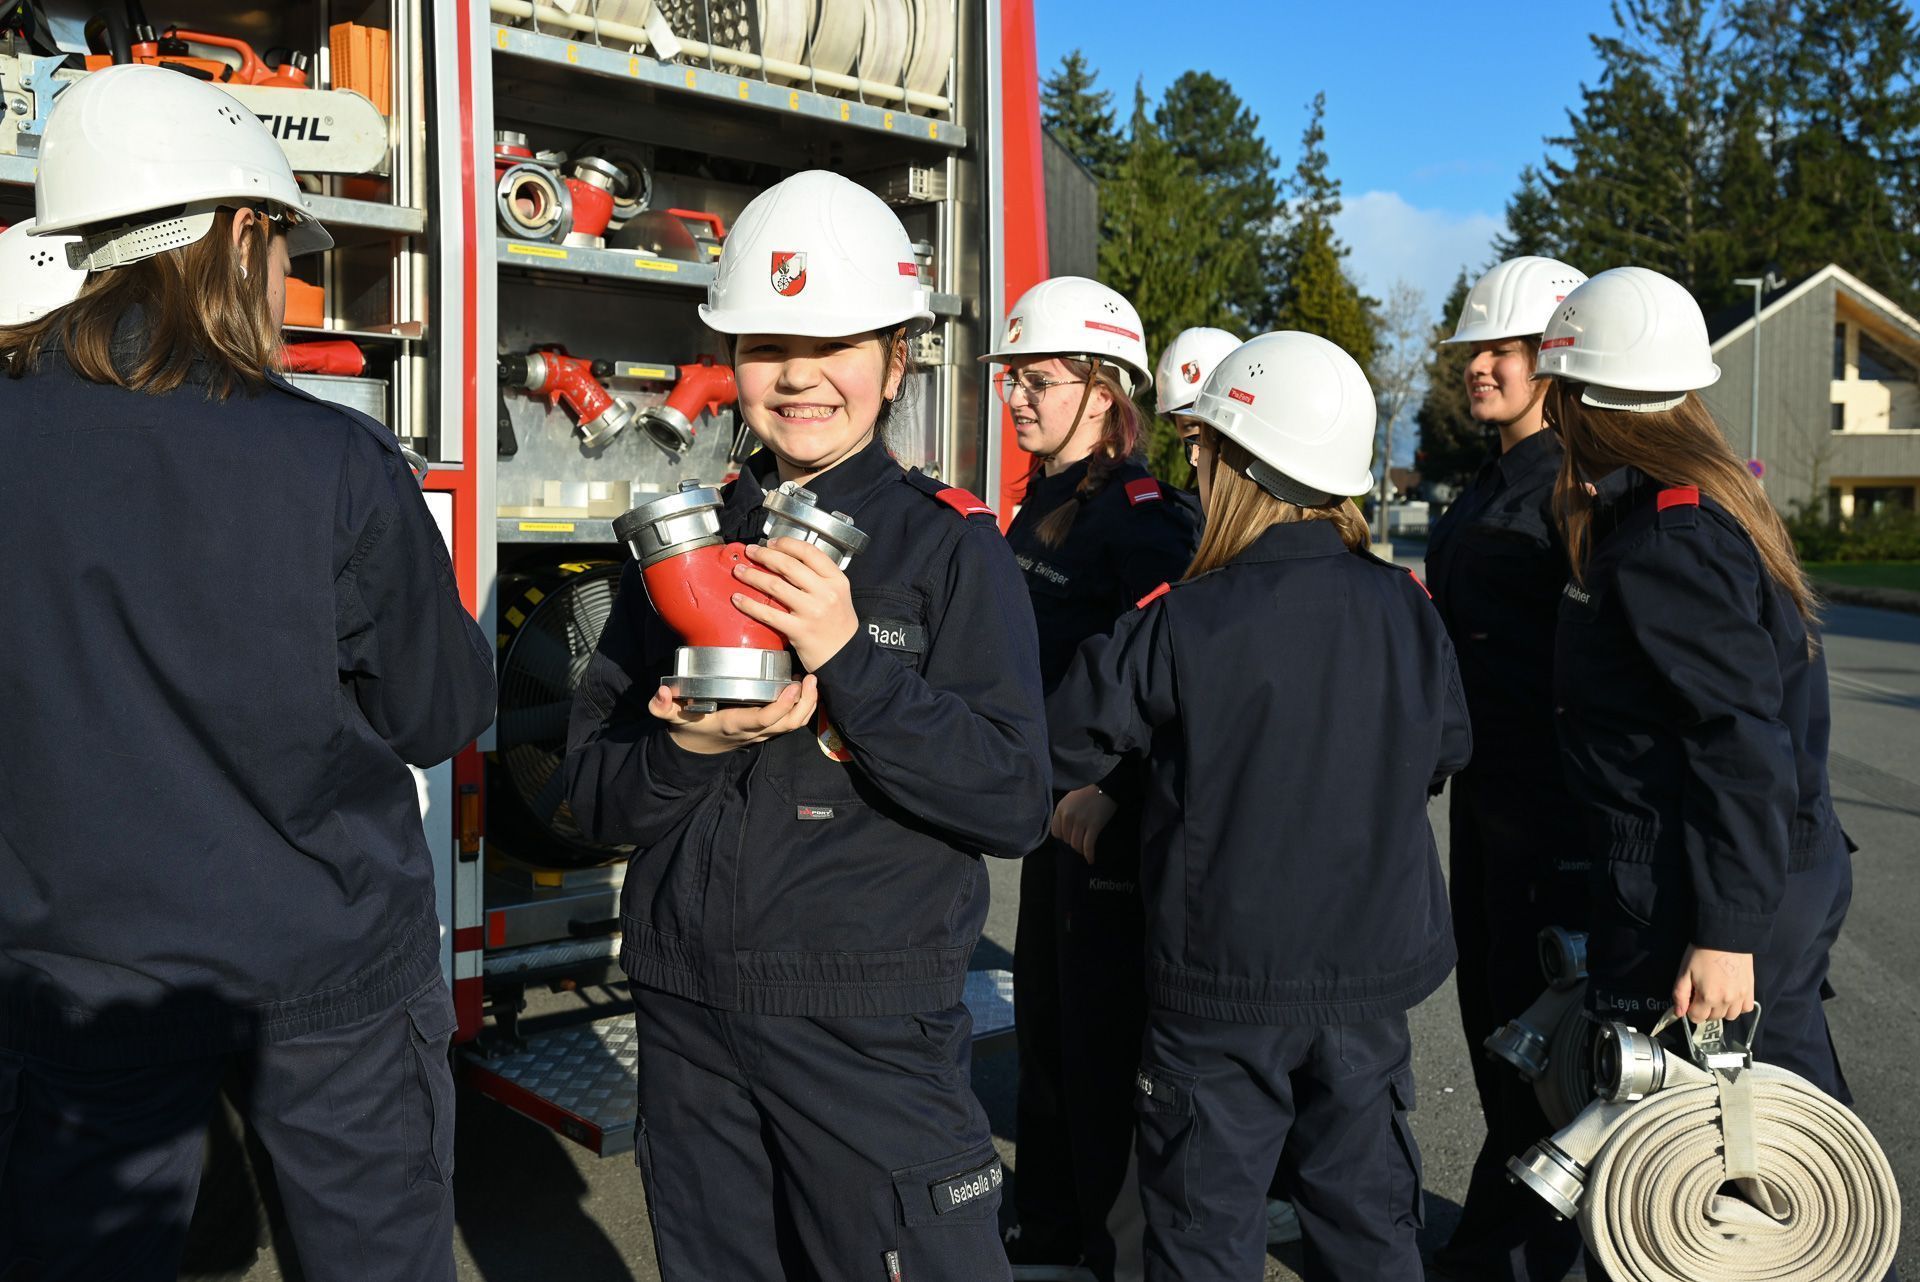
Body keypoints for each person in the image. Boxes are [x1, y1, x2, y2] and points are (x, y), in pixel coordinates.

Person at [0, 65, 495, 1282]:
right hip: (330, 972)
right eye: (282, 245)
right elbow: (436, 711)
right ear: (238, 231)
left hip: (77, 981)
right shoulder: (332, 460)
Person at [564, 169, 1051, 1282]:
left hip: (866, 1034)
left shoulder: (949, 549)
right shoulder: (683, 550)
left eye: (834, 344)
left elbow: (1012, 799)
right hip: (689, 1019)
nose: (797, 376)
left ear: (896, 359)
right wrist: (684, 747)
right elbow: (587, 793)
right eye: (766, 345)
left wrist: (848, 660)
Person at [1048, 331, 1470, 1280]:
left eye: (1205, 445)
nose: (1193, 463)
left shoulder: (1184, 616)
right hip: (1367, 974)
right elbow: (1447, 749)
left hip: (1221, 984)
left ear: (1240, 465)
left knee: (1204, 1232)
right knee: (1370, 1225)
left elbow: (1062, 741)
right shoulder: (1407, 605)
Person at [1540, 265, 1856, 1099]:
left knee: (1737, 1145)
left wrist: (1727, 934)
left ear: (1582, 403)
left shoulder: (1669, 543)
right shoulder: (1693, 511)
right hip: (1732, 868)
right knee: (1767, 1128)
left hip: (1698, 886)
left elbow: (1738, 738)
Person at [983, 282, 1199, 1281]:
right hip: (1048, 809)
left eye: (1039, 382)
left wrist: (1117, 790)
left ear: (1105, 393)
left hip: (1103, 823)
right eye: (1012, 382)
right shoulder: (1047, 497)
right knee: (1048, 1030)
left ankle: (1112, 1252)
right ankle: (1048, 1229)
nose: (1018, 400)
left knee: (1104, 1051)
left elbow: (1177, 679)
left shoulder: (1144, 520)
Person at [1423, 256, 1590, 1282]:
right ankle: (1501, 1243)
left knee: (1541, 1046)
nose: (1479, 366)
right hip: (1488, 802)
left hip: (1551, 812)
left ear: (1554, 358)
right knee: (1492, 1029)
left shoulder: (1575, 486)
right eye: (1472, 350)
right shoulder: (1492, 480)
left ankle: (1524, 1255)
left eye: (1503, 350)